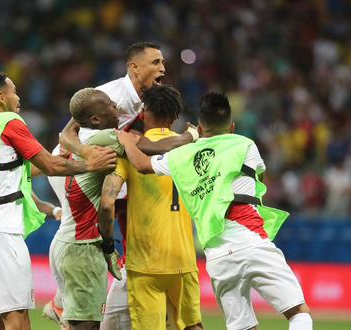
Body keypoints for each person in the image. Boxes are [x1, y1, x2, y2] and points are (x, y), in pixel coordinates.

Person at [118, 92, 312, 330]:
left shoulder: (183, 154)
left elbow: (142, 164)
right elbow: (257, 178)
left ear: (199, 126)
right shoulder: (245, 144)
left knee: (243, 327)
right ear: (231, 126)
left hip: (218, 257)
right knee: (299, 314)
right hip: (252, 241)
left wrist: (127, 141)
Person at [49, 42, 199, 329]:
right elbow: (66, 133)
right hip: (73, 166)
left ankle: (90, 290)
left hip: (104, 162)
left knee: (128, 206)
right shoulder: (111, 95)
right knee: (86, 231)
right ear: (134, 67)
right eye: (155, 62)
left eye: (163, 62)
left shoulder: (147, 99)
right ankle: (64, 300)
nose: (163, 68)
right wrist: (86, 156)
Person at [0, 71, 116, 330]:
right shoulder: (9, 121)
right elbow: (48, 164)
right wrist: (89, 164)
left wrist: (67, 160)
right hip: (1, 233)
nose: (18, 97)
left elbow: (26, 169)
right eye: (13, 91)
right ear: (1, 96)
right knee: (18, 321)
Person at [99, 85, 203, 330]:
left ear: (143, 114)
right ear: (175, 117)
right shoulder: (190, 150)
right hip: (184, 258)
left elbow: (106, 203)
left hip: (145, 262)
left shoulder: (128, 152)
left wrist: (106, 244)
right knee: (192, 326)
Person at [46, 88, 125, 330]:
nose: (117, 106)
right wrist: (190, 138)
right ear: (95, 119)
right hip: (83, 248)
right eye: (110, 105)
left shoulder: (63, 147)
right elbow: (145, 147)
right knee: (88, 326)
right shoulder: (105, 140)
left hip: (64, 243)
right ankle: (61, 309)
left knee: (79, 323)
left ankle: (61, 308)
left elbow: (68, 130)